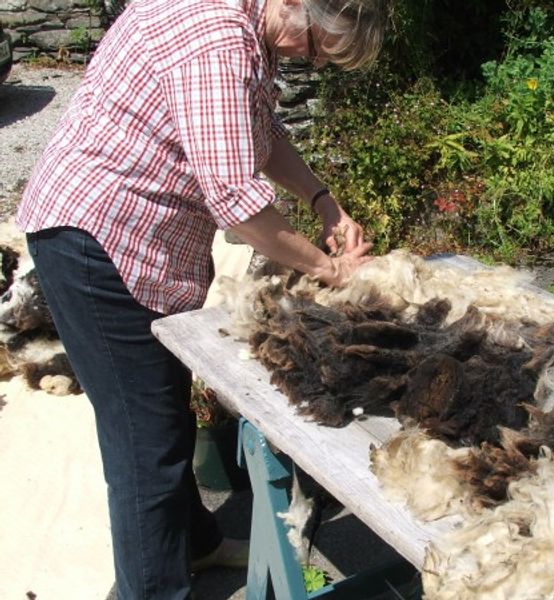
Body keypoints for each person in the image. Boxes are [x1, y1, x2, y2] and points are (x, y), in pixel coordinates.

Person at [15, 0, 384, 597]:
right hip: (94, 242)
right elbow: (237, 201)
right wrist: (328, 269)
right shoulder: (217, 42)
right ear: (295, 2)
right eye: (316, 46)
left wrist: (324, 201)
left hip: (120, 238)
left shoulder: (244, 25)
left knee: (160, 414)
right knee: (145, 447)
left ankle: (197, 545)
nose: (308, 61)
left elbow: (258, 135)